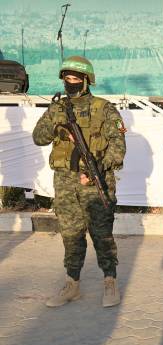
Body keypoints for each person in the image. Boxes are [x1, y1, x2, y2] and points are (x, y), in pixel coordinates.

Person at [33, 56, 126, 308]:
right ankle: (72, 284)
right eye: (67, 78)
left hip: (95, 182)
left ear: (87, 81)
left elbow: (118, 149)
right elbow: (38, 138)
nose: (70, 83)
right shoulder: (56, 109)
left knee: (102, 234)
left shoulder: (104, 109)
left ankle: (109, 281)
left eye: (75, 79)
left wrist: (96, 169)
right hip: (64, 181)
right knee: (70, 234)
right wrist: (56, 122)